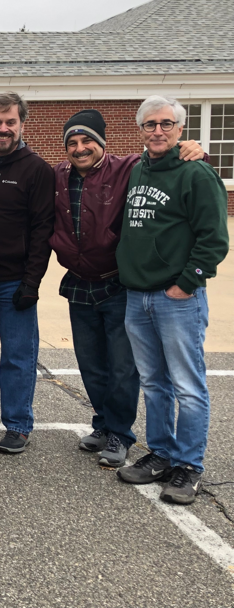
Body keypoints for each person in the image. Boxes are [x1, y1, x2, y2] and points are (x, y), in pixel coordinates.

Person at [50, 109, 208, 469]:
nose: (80, 148)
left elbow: (163, 154)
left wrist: (193, 148)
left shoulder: (128, 168)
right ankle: (103, 425)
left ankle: (121, 432)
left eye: (87, 140)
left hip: (118, 283)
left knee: (123, 368)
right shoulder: (57, 175)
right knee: (91, 366)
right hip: (78, 284)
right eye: (72, 143)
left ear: (102, 143)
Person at [115, 96, 228, 505]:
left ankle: (188, 466)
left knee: (187, 385)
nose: (158, 131)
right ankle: (161, 453)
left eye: (166, 124)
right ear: (140, 129)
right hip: (137, 296)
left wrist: (186, 283)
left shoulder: (196, 173)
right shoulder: (138, 170)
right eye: (150, 124)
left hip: (176, 299)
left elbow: (214, 238)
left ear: (181, 129)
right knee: (153, 383)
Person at [0, 92, 54, 454]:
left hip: (16, 280)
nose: (3, 129)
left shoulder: (37, 170)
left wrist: (32, 282)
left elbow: (42, 231)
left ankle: (18, 424)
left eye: (11, 122)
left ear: (22, 124)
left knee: (18, 355)